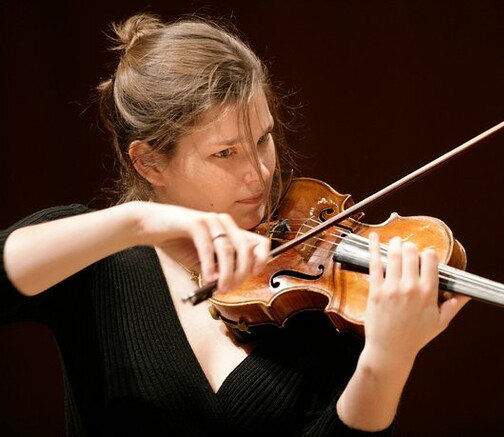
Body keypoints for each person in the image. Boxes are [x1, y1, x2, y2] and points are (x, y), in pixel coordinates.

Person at [0, 12, 468, 436]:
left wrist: (386, 360)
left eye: (263, 139)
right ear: (149, 165)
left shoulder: (311, 298)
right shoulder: (95, 258)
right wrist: (136, 222)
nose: (260, 172)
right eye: (225, 153)